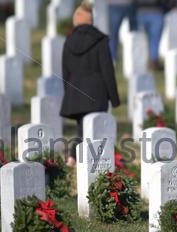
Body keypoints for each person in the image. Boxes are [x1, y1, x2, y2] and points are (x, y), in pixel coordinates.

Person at [60, 2, 121, 166]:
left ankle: (73, 158)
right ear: (91, 20)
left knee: (82, 129)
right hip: (97, 93)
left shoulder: (68, 41)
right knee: (95, 130)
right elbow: (107, 71)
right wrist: (114, 98)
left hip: (75, 92)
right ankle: (87, 159)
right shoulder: (100, 41)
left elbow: (65, 72)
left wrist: (69, 93)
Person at [136, 0, 177, 70]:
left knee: (140, 41)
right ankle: (153, 62)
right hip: (156, 12)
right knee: (154, 40)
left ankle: (143, 62)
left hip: (141, 11)